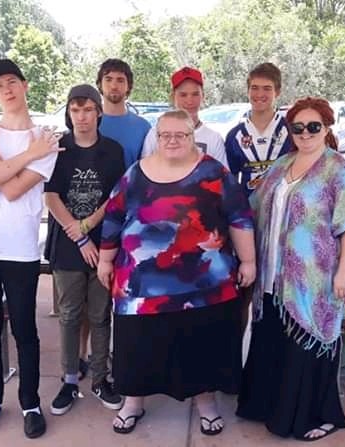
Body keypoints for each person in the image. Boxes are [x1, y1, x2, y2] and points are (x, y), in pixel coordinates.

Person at [98, 110, 256, 436]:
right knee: (136, 347)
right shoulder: (135, 173)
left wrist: (248, 261)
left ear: (191, 136)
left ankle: (206, 404)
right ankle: (133, 403)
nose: (171, 140)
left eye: (180, 135)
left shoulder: (214, 172)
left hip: (204, 284)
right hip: (139, 287)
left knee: (200, 346)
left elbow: (239, 217)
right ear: (156, 137)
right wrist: (105, 260)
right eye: (165, 134)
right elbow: (113, 218)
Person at [236, 96, 345, 442]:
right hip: (272, 279)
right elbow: (250, 209)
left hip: (314, 279)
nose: (305, 133)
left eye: (314, 126)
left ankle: (318, 415)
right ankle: (266, 406)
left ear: (326, 128)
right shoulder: (281, 166)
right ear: (289, 130)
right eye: (298, 127)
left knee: (306, 347)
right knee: (274, 344)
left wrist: (344, 272)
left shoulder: (339, 170)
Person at [0, 58, 62, 439]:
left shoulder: (47, 140)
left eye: (11, 81)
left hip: (19, 251)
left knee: (25, 330)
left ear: (24, 85)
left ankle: (30, 403)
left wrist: (2, 151)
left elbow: (14, 189)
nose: (5, 89)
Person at [43, 84, 125, 416]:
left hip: (103, 244)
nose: (82, 116)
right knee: (69, 316)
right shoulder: (58, 148)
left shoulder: (112, 150)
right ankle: (69, 379)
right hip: (67, 246)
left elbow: (115, 197)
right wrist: (77, 234)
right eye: (76, 110)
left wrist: (88, 227)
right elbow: (50, 196)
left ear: (98, 113)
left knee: (100, 315)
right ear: (69, 113)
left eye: (88, 109)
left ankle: (101, 379)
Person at [225, 62, 292, 195]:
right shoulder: (235, 136)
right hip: (248, 210)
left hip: (284, 209)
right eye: (255, 88)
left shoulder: (291, 130)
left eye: (267, 88)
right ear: (248, 91)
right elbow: (229, 181)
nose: (260, 94)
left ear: (277, 92)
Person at [140, 66, 228, 167]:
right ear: (173, 97)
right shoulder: (155, 135)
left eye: (195, 94)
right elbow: (144, 173)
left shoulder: (214, 139)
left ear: (203, 96)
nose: (189, 101)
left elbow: (222, 178)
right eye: (183, 95)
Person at [96, 58, 151, 169]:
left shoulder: (143, 127)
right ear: (100, 84)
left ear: (128, 86)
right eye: (108, 79)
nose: (114, 86)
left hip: (131, 186)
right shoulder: (88, 123)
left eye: (120, 80)